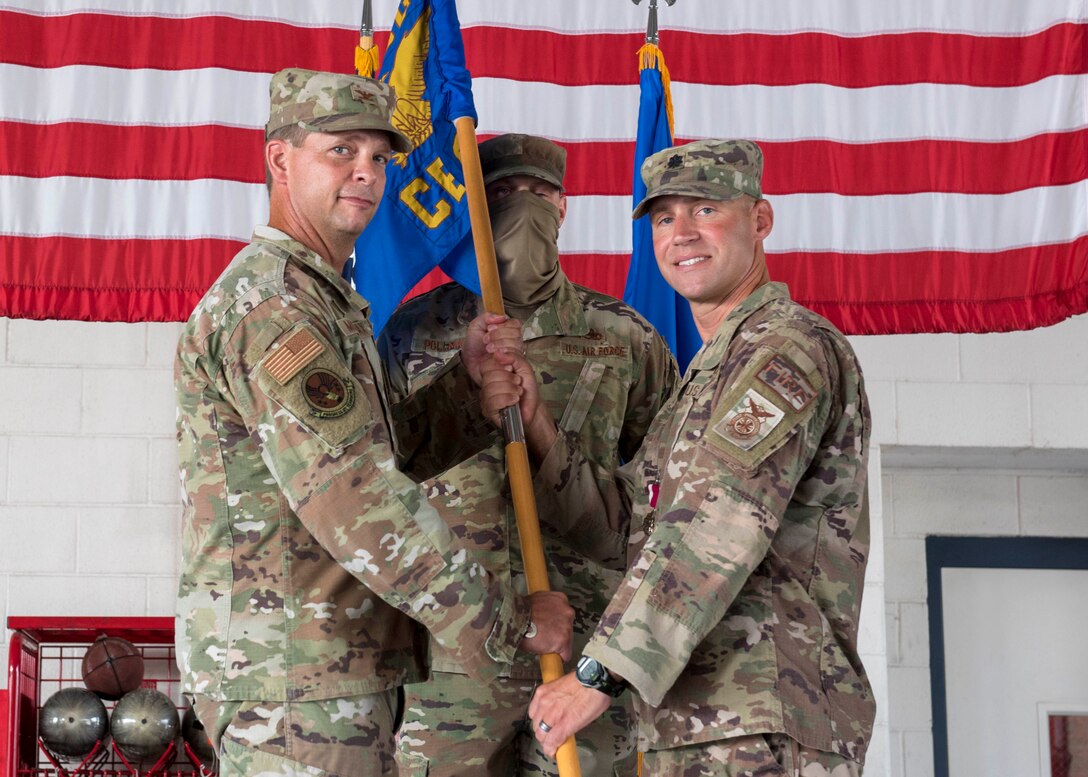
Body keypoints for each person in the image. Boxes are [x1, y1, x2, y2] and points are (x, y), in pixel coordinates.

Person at [174, 69, 573, 777]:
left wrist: (464, 395)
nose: (366, 172)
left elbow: (373, 453)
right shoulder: (274, 308)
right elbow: (355, 496)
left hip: (330, 671)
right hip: (296, 678)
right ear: (280, 158)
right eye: (342, 151)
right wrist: (508, 622)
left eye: (379, 158)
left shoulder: (323, 301)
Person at [482, 139, 875, 775]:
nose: (682, 234)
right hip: (697, 720)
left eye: (706, 210)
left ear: (760, 219)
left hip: (764, 718)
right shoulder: (707, 375)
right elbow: (623, 528)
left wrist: (595, 674)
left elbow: (721, 525)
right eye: (664, 218)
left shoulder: (783, 351)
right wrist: (537, 426)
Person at [379, 133, 679, 777]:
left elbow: (662, 507)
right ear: (476, 211)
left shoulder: (625, 339)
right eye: (503, 195)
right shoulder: (416, 331)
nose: (524, 207)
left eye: (539, 194)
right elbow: (378, 480)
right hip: (451, 655)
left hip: (583, 652)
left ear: (564, 207)